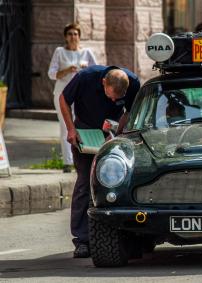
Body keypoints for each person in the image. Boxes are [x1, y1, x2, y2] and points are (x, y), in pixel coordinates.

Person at [59, 65, 140, 258]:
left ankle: (124, 235)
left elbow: (132, 111)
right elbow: (63, 98)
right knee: (85, 184)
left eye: (116, 98)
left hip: (112, 135)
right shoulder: (86, 77)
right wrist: (70, 129)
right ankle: (82, 240)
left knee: (116, 184)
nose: (113, 101)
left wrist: (118, 130)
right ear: (103, 82)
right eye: (110, 96)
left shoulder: (133, 82)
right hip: (84, 134)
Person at [48, 23, 97, 173]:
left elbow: (97, 71)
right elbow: (51, 73)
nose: (73, 37)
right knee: (66, 127)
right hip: (63, 95)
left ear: (79, 36)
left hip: (82, 96)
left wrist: (85, 70)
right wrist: (68, 70)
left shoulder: (87, 52)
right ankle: (67, 162)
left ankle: (84, 158)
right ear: (65, 37)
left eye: (75, 34)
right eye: (70, 34)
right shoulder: (60, 52)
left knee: (83, 126)